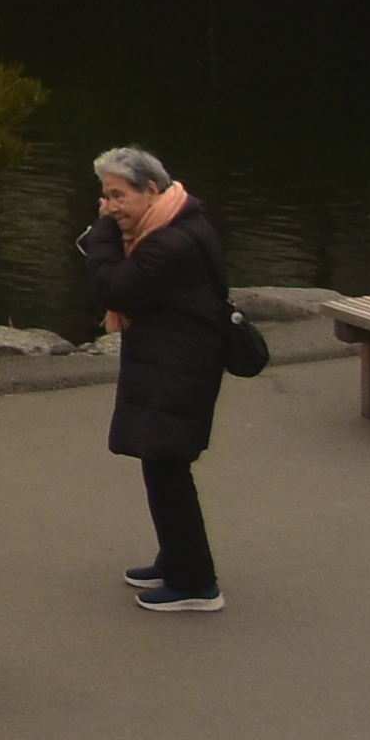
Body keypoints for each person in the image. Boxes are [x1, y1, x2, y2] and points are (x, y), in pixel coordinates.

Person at [75, 140, 237, 613]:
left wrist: (101, 237)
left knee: (167, 465)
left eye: (117, 196)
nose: (108, 207)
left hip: (179, 364)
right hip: (175, 359)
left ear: (151, 189)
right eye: (104, 197)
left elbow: (112, 287)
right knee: (159, 459)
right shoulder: (175, 221)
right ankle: (176, 558)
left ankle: (197, 583)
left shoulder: (170, 242)